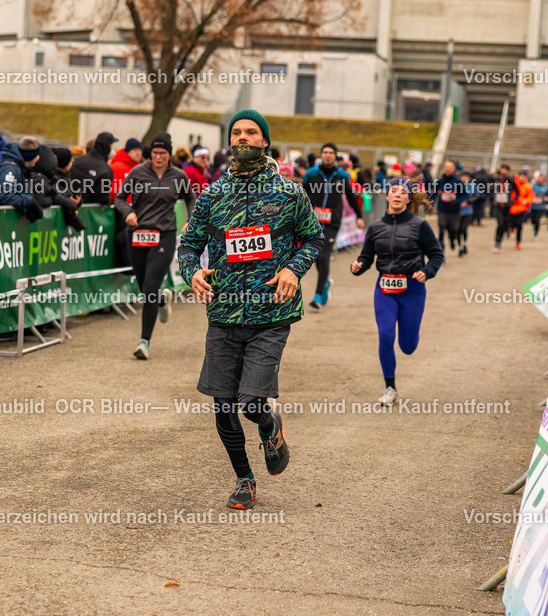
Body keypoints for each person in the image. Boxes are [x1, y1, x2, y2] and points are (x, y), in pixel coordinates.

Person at [178, 109, 323, 510]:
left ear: (264, 141)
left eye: (251, 133)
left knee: (251, 402)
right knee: (223, 404)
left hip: (271, 313)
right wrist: (192, 272)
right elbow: (188, 245)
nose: (242, 138)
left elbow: (313, 238)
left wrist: (293, 269)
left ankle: (269, 424)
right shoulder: (212, 194)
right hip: (223, 312)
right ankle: (245, 479)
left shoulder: (290, 193)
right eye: (236, 132)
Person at [350, 178, 443, 406]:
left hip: (412, 289)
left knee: (408, 346)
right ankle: (390, 387)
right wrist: (358, 266)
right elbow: (366, 257)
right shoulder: (376, 228)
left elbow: (437, 254)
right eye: (394, 191)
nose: (398, 195)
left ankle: (410, 336)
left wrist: (427, 271)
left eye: (403, 192)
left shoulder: (420, 225)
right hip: (385, 288)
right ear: (388, 196)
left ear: (408, 199)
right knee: (385, 334)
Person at [114, 132, 195, 360]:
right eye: (155, 152)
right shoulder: (137, 173)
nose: (158, 157)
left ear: (169, 154)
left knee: (150, 286)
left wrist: (190, 218)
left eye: (163, 153)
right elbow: (120, 198)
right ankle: (161, 299)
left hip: (164, 235)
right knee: (145, 289)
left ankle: (144, 341)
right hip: (138, 234)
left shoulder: (178, 175)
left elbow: (190, 198)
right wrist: (128, 212)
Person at [302, 142, 363, 309]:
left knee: (323, 255)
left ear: (335, 156)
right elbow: (302, 195)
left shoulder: (342, 176)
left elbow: (351, 196)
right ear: (321, 155)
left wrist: (359, 216)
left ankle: (318, 295)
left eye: (331, 152)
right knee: (315, 257)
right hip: (312, 222)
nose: (327, 155)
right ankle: (326, 283)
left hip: (332, 223)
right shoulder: (311, 174)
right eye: (325, 152)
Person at [0, 141, 41, 221]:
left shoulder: (19, 167)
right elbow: (5, 196)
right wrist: (30, 202)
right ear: (34, 157)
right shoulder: (9, 169)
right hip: (1, 221)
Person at [70, 132, 116, 205]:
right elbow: (101, 198)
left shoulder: (76, 160)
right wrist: (108, 199)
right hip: (88, 213)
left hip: (69, 206)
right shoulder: (106, 170)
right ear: (109, 146)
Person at [434, 159, 466, 255]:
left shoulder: (458, 182)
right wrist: (430, 202)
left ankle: (452, 239)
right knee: (441, 228)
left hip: (454, 211)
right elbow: (434, 193)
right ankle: (441, 253)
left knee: (453, 231)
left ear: (454, 169)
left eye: (450, 168)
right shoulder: (440, 181)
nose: (448, 169)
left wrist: (457, 202)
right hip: (442, 210)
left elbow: (465, 195)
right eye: (446, 167)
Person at [110, 138, 142, 203]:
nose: (138, 153)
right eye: (135, 150)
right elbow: (115, 191)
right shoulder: (117, 167)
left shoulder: (140, 168)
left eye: (140, 150)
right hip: (123, 207)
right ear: (128, 150)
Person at [530, 173, 548, 240]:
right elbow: (530, 194)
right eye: (539, 178)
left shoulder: (546, 187)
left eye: (541, 178)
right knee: (533, 220)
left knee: (537, 220)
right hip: (533, 206)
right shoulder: (533, 186)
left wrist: (547, 198)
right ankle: (534, 226)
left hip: (541, 207)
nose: (540, 179)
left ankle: (535, 234)